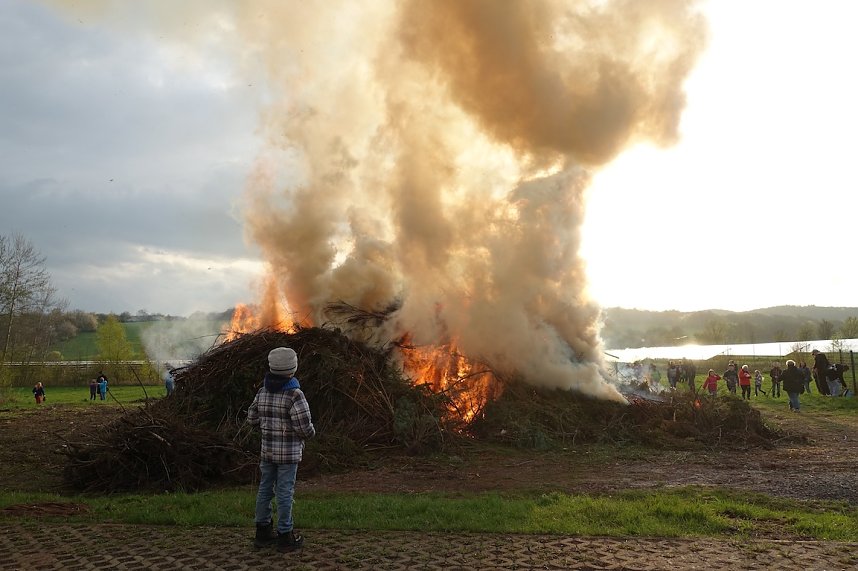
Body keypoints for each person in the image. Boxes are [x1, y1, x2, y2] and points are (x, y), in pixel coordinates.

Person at [247, 347, 315, 553]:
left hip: (267, 452)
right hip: (288, 455)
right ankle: (285, 536)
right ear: (293, 369)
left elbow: (252, 418)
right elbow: (304, 427)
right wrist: (310, 434)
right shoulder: (295, 395)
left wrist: (266, 427)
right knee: (285, 492)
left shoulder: (263, 392)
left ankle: (262, 532)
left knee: (265, 489)